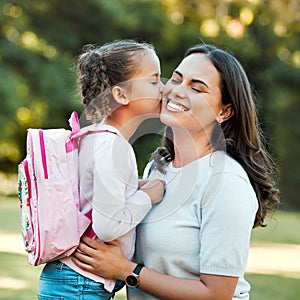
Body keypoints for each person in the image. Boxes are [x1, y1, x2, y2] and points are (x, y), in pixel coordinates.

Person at [72, 44, 280, 300]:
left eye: (196, 87)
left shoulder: (225, 182)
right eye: (177, 79)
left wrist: (125, 270)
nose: (176, 91)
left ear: (224, 111)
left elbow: (217, 294)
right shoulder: (157, 169)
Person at [37, 40, 166, 300]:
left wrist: (137, 185)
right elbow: (108, 226)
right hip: (79, 283)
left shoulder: (94, 137)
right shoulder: (113, 146)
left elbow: (100, 193)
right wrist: (148, 196)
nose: (164, 89)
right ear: (121, 94)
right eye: (154, 81)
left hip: (73, 279)